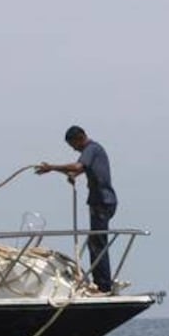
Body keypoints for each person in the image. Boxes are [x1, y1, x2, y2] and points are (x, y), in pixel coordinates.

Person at [35, 125, 118, 294]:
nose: (74, 149)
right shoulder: (94, 150)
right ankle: (102, 283)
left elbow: (78, 166)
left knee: (97, 244)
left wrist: (51, 167)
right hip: (102, 201)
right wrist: (73, 176)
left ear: (80, 138)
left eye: (73, 145)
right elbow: (84, 169)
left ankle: (103, 286)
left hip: (102, 202)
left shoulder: (91, 148)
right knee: (96, 243)